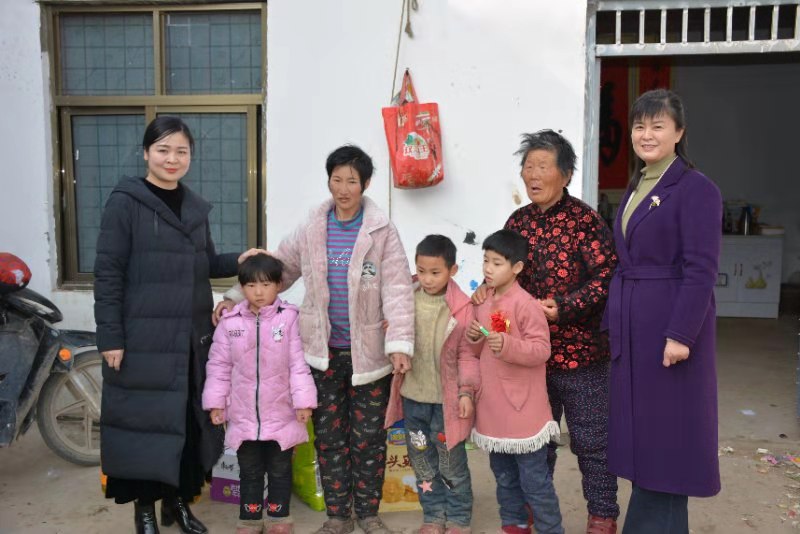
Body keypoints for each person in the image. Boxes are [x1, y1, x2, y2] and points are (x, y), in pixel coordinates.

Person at [217, 145, 415, 534]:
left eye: (351, 181)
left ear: (365, 184)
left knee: (369, 440)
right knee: (329, 438)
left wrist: (399, 344)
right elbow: (277, 269)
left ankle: (368, 514)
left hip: (368, 356)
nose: (343, 188)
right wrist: (234, 298)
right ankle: (338, 515)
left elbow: (397, 289)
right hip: (321, 354)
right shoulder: (313, 226)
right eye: (336, 179)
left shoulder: (381, 230)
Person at [94, 116, 250, 534]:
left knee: (185, 425)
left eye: (181, 151)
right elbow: (108, 273)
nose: (172, 159)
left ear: (190, 157)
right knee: (144, 428)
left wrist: (240, 260)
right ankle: (145, 510)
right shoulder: (125, 203)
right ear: (146, 153)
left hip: (189, 340)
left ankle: (177, 503)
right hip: (142, 339)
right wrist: (110, 336)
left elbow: (206, 263)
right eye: (163, 150)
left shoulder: (195, 208)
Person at [475, 130, 619, 533]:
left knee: (592, 442)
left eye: (543, 166)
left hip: (580, 354)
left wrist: (566, 307)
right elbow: (501, 275)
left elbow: (607, 278)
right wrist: (487, 292)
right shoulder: (517, 222)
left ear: (566, 175)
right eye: (528, 166)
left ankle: (602, 515)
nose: (533, 174)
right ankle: (532, 512)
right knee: (533, 443)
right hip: (525, 361)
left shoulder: (585, 222)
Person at [604, 89, 722, 533]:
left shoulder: (696, 189)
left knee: (666, 444)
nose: (646, 134)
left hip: (668, 331)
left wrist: (681, 334)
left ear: (679, 132)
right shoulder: (640, 183)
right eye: (640, 126)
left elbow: (701, 269)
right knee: (645, 440)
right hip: (636, 329)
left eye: (658, 125)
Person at [203, 254, 317, 534]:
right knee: (250, 471)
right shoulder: (230, 323)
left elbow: (298, 365)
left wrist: (303, 402)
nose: (258, 292)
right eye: (251, 285)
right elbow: (219, 366)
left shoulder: (289, 319)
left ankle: (279, 518)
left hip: (282, 412)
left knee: (280, 469)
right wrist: (216, 403)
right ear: (242, 287)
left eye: (266, 285)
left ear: (279, 285)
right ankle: (250, 519)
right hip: (243, 416)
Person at [467, 230, 563, 534]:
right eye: (485, 261)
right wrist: (474, 338)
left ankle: (551, 529)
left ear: (517, 267)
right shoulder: (483, 300)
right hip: (493, 408)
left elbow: (542, 350)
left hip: (523, 410)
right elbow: (478, 351)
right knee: (504, 478)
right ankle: (515, 524)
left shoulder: (526, 304)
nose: (488, 269)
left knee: (535, 481)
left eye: (497, 263)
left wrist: (508, 345)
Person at [384, 235, 480, 534]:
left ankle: (459, 518)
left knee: (451, 463)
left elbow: (468, 355)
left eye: (435, 272)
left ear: (453, 270)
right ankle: (434, 516)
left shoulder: (462, 308)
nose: (427, 278)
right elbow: (394, 338)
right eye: (422, 271)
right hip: (413, 399)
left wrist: (466, 392)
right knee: (422, 462)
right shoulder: (406, 300)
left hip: (446, 404)